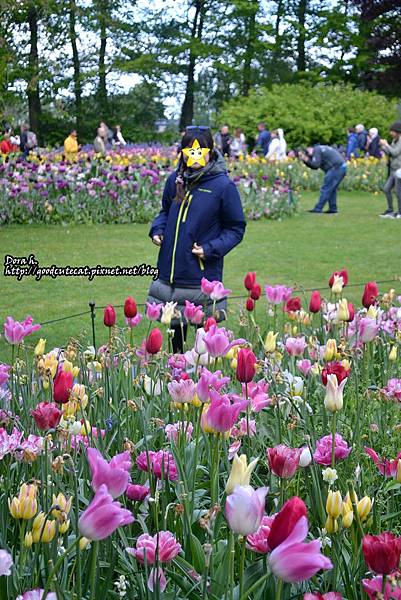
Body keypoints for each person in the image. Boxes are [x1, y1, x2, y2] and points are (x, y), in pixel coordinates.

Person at [147, 126, 246, 353]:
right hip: (170, 276)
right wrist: (158, 229)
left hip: (200, 276)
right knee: (176, 344)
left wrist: (210, 249)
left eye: (200, 150)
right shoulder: (175, 180)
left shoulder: (223, 186)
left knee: (204, 346)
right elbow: (165, 212)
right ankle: (177, 372)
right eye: (189, 151)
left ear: (210, 151)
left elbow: (236, 228)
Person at [300, 144, 347, 214]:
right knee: (331, 189)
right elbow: (315, 166)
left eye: (308, 154)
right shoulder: (320, 148)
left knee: (326, 189)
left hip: (336, 168)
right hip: (341, 167)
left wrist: (306, 160)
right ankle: (333, 209)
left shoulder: (316, 150)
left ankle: (318, 208)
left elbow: (315, 165)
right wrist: (306, 161)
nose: (310, 156)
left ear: (309, 149)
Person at [379, 121, 401, 219]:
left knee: (398, 191)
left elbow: (395, 152)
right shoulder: (394, 140)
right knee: (386, 189)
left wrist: (387, 145)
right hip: (393, 170)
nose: (390, 133)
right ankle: (390, 210)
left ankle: (400, 212)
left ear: (397, 131)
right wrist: (383, 147)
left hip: (399, 170)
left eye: (392, 131)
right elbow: (390, 153)